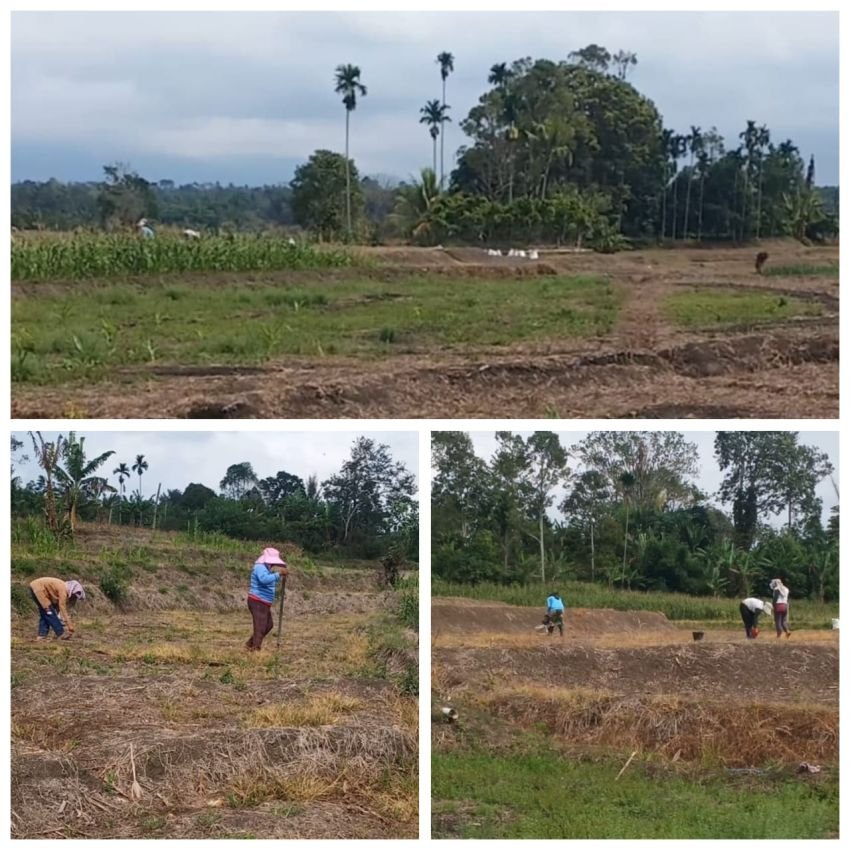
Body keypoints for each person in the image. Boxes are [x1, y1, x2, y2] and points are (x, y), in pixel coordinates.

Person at [245, 547, 288, 651]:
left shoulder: (266, 568)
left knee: (268, 625)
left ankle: (250, 644)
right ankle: (255, 648)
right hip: (257, 600)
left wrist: (281, 576)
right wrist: (278, 574)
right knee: (261, 626)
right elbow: (264, 580)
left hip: (264, 602)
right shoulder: (260, 567)